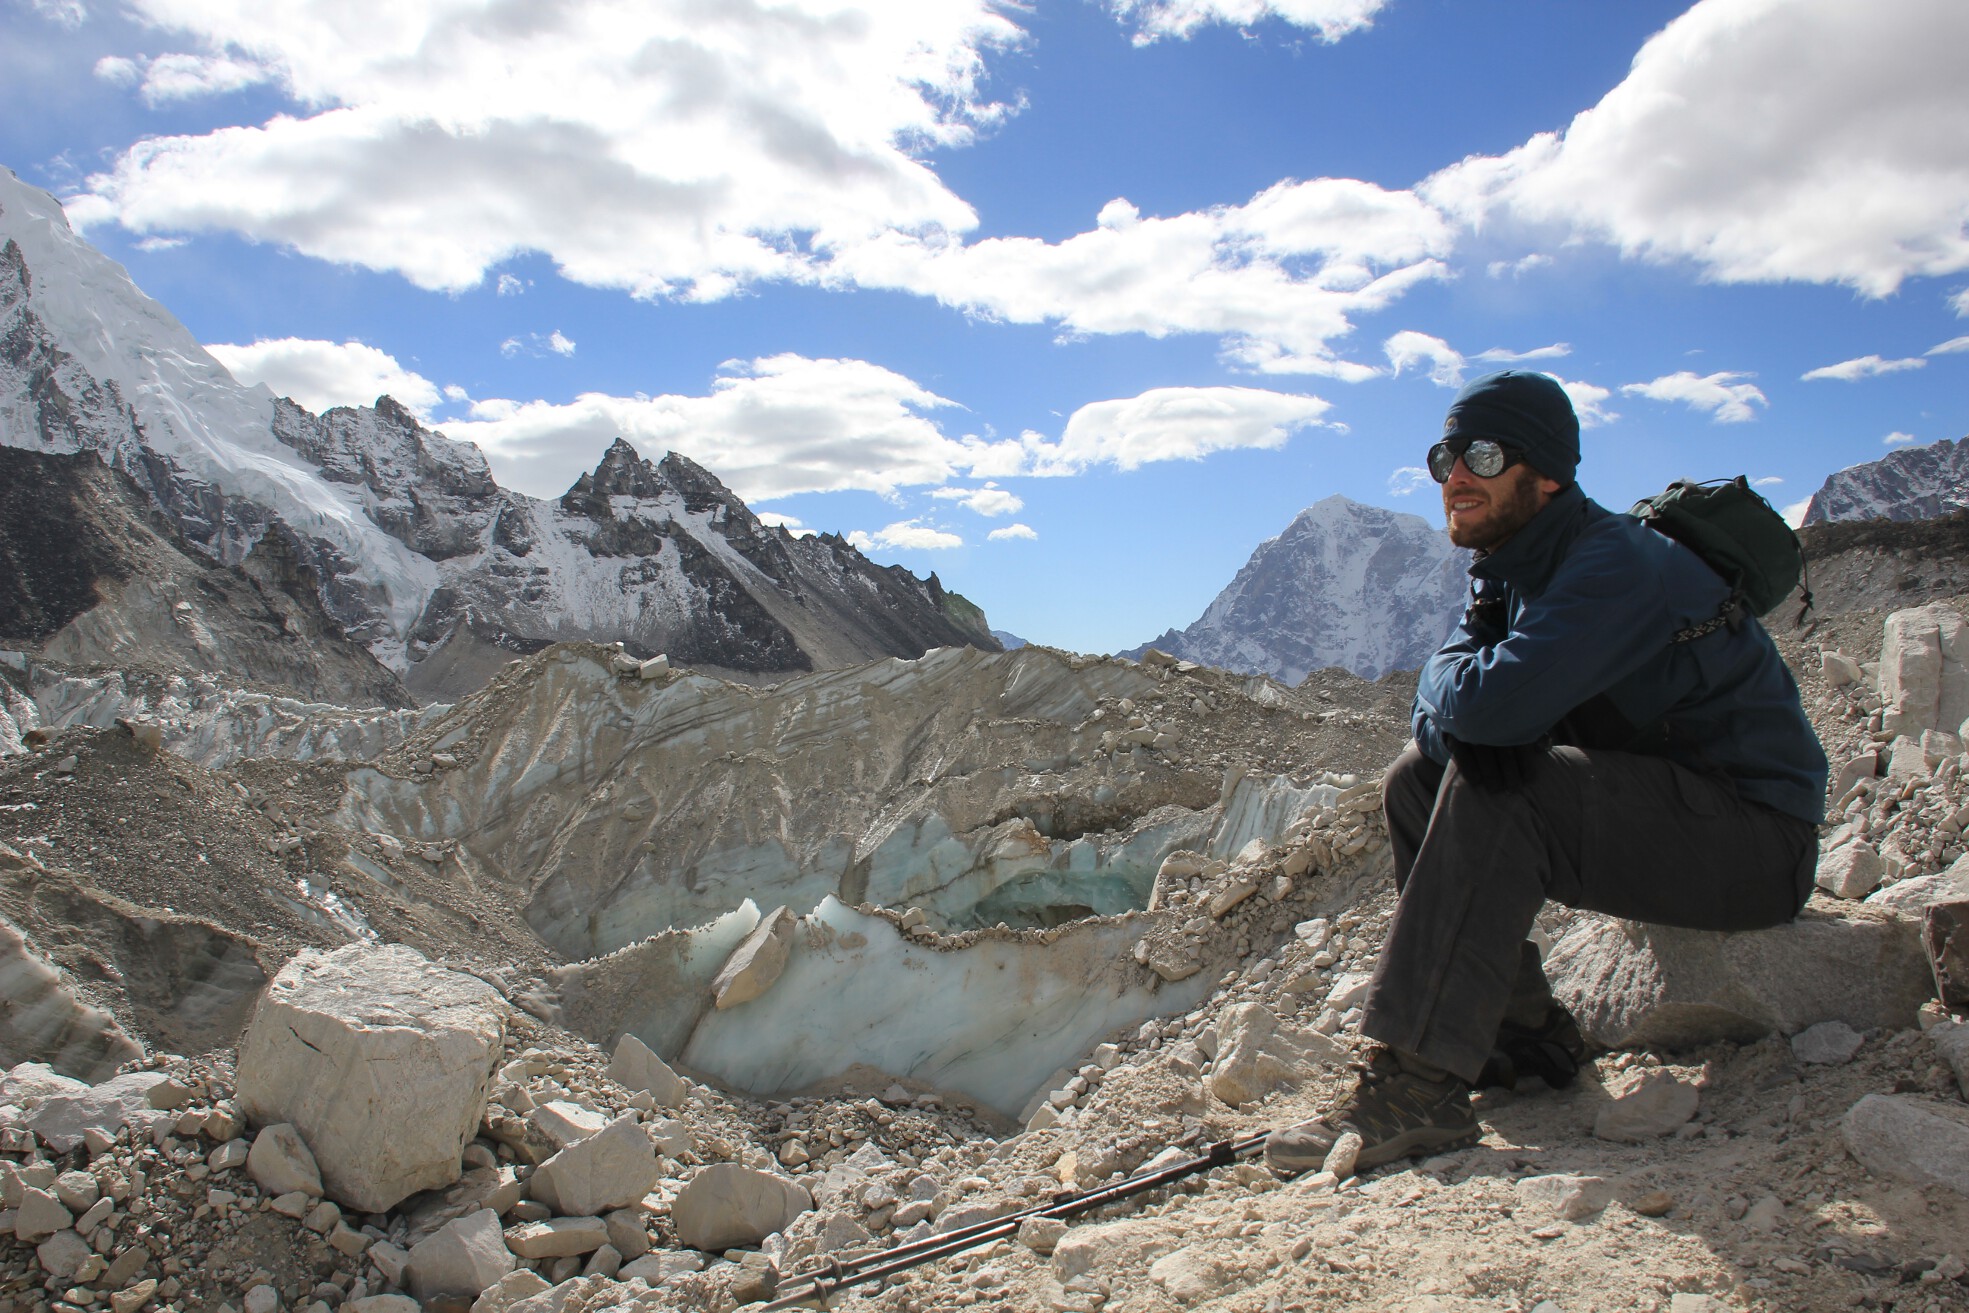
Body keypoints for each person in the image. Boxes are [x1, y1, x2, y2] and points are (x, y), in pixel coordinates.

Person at [1264, 370, 1827, 1175]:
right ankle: (1517, 1040)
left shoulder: (1613, 566)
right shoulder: (1511, 569)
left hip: (1754, 842)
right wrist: (1458, 694)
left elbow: (1482, 707)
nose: (1455, 477)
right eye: (1444, 457)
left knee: (1505, 783)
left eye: (1482, 456)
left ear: (1547, 471)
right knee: (1416, 779)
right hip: (1673, 813)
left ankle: (1415, 1086)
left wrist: (1458, 691)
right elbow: (1446, 717)